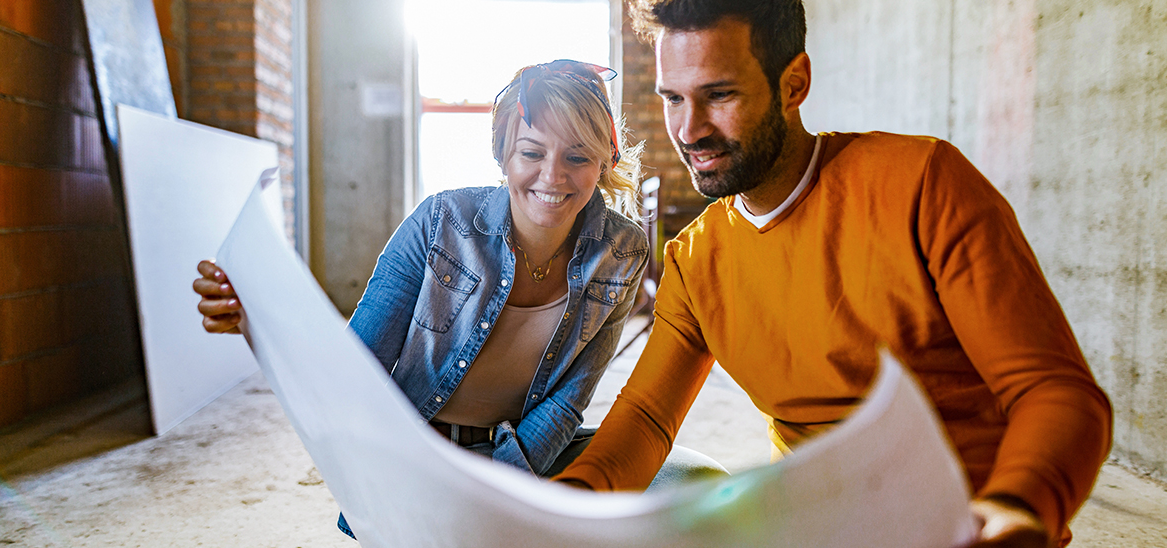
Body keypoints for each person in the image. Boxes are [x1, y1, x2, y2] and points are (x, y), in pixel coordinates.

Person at [553, 2, 1112, 548]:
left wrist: (1015, 506)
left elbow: (1055, 393)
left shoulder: (923, 185)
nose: (689, 129)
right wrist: (565, 505)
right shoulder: (694, 260)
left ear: (794, 84)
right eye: (673, 98)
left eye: (719, 94)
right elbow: (648, 420)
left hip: (967, 523)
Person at [195, 59, 725, 539]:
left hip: (524, 456)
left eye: (578, 156)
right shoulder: (438, 224)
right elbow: (356, 371)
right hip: (417, 463)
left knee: (697, 483)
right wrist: (256, 318)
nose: (553, 176)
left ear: (606, 159)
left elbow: (569, 400)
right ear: (503, 154)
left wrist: (501, 491)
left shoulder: (622, 250)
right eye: (532, 152)